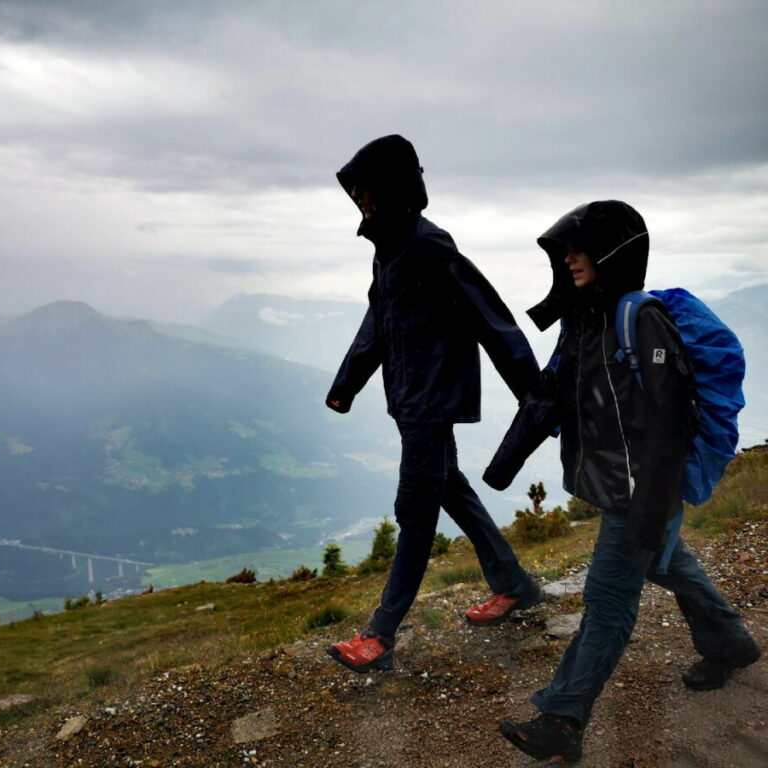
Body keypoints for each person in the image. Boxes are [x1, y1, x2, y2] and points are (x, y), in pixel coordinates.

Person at [489, 200, 761, 763]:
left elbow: (670, 423)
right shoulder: (584, 323)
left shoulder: (640, 321)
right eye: (563, 252)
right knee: (667, 563)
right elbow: (549, 394)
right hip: (622, 486)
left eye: (578, 248)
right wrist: (503, 465)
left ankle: (563, 718)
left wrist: (650, 508)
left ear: (612, 251)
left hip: (643, 490)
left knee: (608, 601)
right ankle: (730, 644)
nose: (568, 260)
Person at [324, 134, 544, 674]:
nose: (359, 199)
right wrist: (345, 384)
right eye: (355, 192)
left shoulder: (430, 245)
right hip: (408, 399)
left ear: (391, 188)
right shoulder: (390, 252)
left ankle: (380, 634)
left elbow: (491, 317)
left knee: (414, 511)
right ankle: (515, 584)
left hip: (431, 402)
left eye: (366, 189)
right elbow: (378, 324)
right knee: (452, 490)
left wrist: (537, 398)